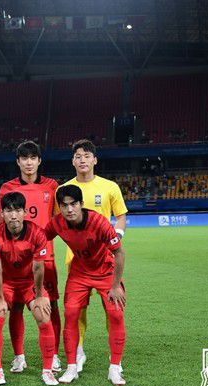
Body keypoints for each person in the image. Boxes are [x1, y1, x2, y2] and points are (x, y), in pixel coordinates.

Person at [44, 185, 127, 386]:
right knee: (71, 314)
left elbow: (119, 253)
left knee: (116, 314)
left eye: (73, 204)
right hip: (79, 273)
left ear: (81, 204)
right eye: (64, 205)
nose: (69, 209)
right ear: (59, 207)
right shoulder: (57, 223)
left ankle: (115, 368)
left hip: (105, 271)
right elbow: (39, 238)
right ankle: (71, 367)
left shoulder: (99, 222)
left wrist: (116, 285)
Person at [62, 139, 128, 373]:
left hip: (105, 260)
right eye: (78, 156)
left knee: (112, 307)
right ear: (73, 161)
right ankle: (78, 351)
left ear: (95, 160)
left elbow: (121, 216)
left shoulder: (109, 187)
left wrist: (116, 236)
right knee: (76, 309)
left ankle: (115, 353)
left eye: (87, 156)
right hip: (76, 259)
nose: (82, 160)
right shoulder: (65, 189)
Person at [0, 141, 61, 373]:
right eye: (24, 158)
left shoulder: (52, 186)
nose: (29, 162)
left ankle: (54, 355)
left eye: (33, 158)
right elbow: (2, 221)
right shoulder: (7, 188)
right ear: (18, 162)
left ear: (39, 161)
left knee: (51, 306)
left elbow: (57, 220)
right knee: (16, 307)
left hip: (45, 258)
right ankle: (19, 356)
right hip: (14, 260)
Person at [0, 192, 58, 386]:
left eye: (18, 210)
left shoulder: (37, 233)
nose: (13, 215)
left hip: (29, 283)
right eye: (8, 211)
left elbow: (38, 268)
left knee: (43, 315)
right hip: (6, 283)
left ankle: (47, 370)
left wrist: (40, 295)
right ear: (2, 213)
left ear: (25, 212)